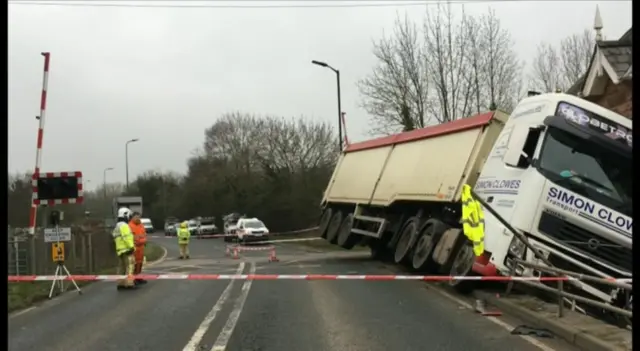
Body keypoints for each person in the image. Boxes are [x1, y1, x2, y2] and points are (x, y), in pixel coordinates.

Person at [113, 207, 137, 290]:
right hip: (127, 249)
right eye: (129, 216)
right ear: (125, 215)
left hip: (120, 250)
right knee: (130, 266)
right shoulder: (124, 225)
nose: (129, 218)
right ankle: (129, 283)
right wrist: (131, 247)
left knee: (121, 268)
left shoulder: (117, 225)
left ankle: (121, 283)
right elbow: (127, 237)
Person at [128, 212, 148, 285]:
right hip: (135, 248)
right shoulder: (130, 226)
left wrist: (144, 241)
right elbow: (133, 238)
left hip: (141, 247)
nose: (138, 218)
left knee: (140, 263)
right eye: (136, 217)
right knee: (134, 264)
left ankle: (138, 277)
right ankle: (133, 279)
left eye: (139, 217)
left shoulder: (141, 225)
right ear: (132, 217)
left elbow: (144, 235)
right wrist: (141, 241)